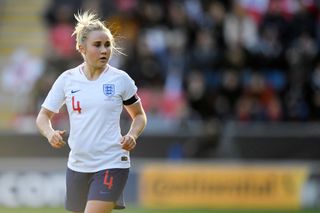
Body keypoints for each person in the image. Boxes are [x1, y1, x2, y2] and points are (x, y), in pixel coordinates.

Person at [36, 11, 147, 213]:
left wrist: (132, 134)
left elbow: (139, 115)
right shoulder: (67, 79)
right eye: (97, 45)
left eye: (107, 45)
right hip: (77, 165)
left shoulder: (120, 79)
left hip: (111, 162)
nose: (104, 50)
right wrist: (50, 133)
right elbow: (43, 117)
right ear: (81, 48)